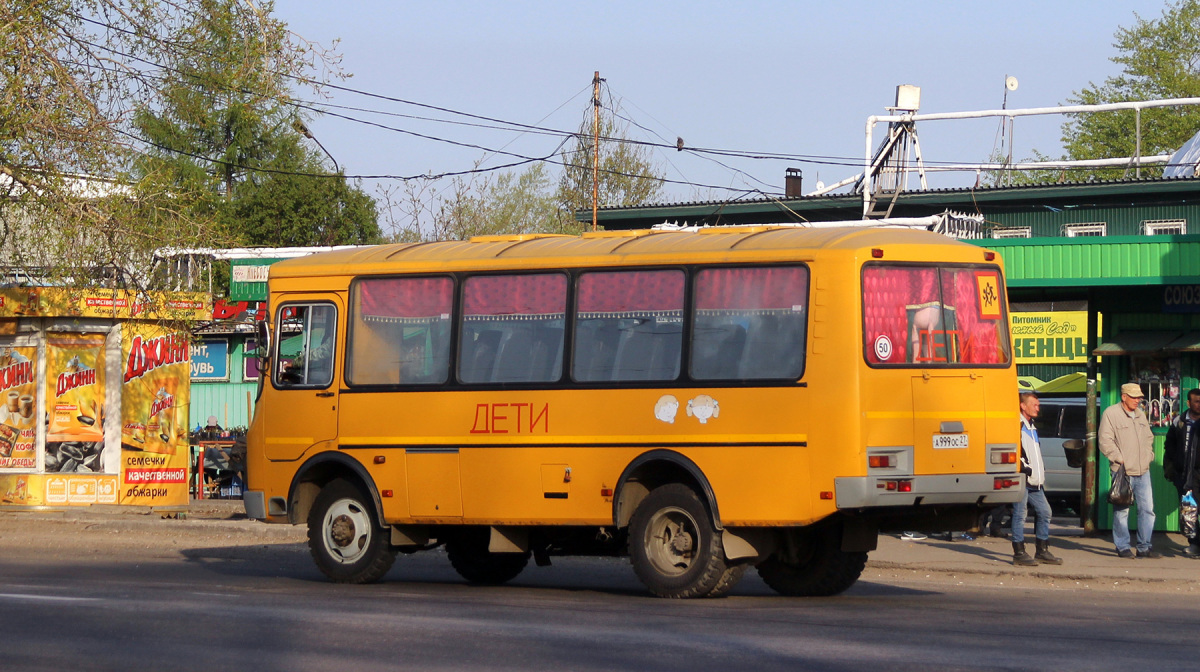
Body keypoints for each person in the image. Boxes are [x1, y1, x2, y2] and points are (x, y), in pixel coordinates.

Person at [1099, 382, 1160, 559]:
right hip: (1122, 471)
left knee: (1147, 509)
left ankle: (1144, 547)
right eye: (1134, 397)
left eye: (1139, 397)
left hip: (1143, 470)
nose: (1137, 400)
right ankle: (1122, 546)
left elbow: (1149, 437)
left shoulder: (1140, 415)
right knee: (1122, 510)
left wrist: (1149, 456)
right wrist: (1119, 459)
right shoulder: (1111, 414)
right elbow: (1105, 440)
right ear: (1123, 396)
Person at [1012, 391, 1062, 566]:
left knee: (1045, 512)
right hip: (1023, 478)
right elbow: (1015, 451)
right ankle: (1019, 553)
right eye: (1034, 404)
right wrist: (1025, 468)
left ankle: (1042, 550)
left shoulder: (1031, 425)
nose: (1037, 408)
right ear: (1022, 406)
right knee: (1020, 515)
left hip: (1035, 480)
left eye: (1038, 404)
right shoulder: (1015, 425)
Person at [1164, 388, 1200, 557]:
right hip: (1184, 474)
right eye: (1196, 402)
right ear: (1188, 403)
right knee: (1189, 511)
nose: (1199, 405)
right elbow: (1169, 444)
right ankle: (1195, 544)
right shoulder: (1179, 421)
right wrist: (1173, 464)